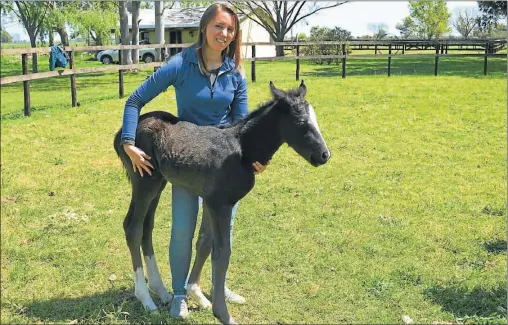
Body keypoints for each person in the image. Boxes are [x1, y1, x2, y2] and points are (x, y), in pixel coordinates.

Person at [120, 3, 269, 319]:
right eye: (218, 26)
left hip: (224, 164)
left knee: (218, 231)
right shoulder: (179, 64)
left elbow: (241, 124)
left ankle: (211, 286)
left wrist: (255, 157)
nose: (224, 34)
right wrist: (129, 143)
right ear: (204, 27)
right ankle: (178, 295)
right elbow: (134, 101)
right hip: (187, 158)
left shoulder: (236, 73)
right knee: (182, 230)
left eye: (230, 29)